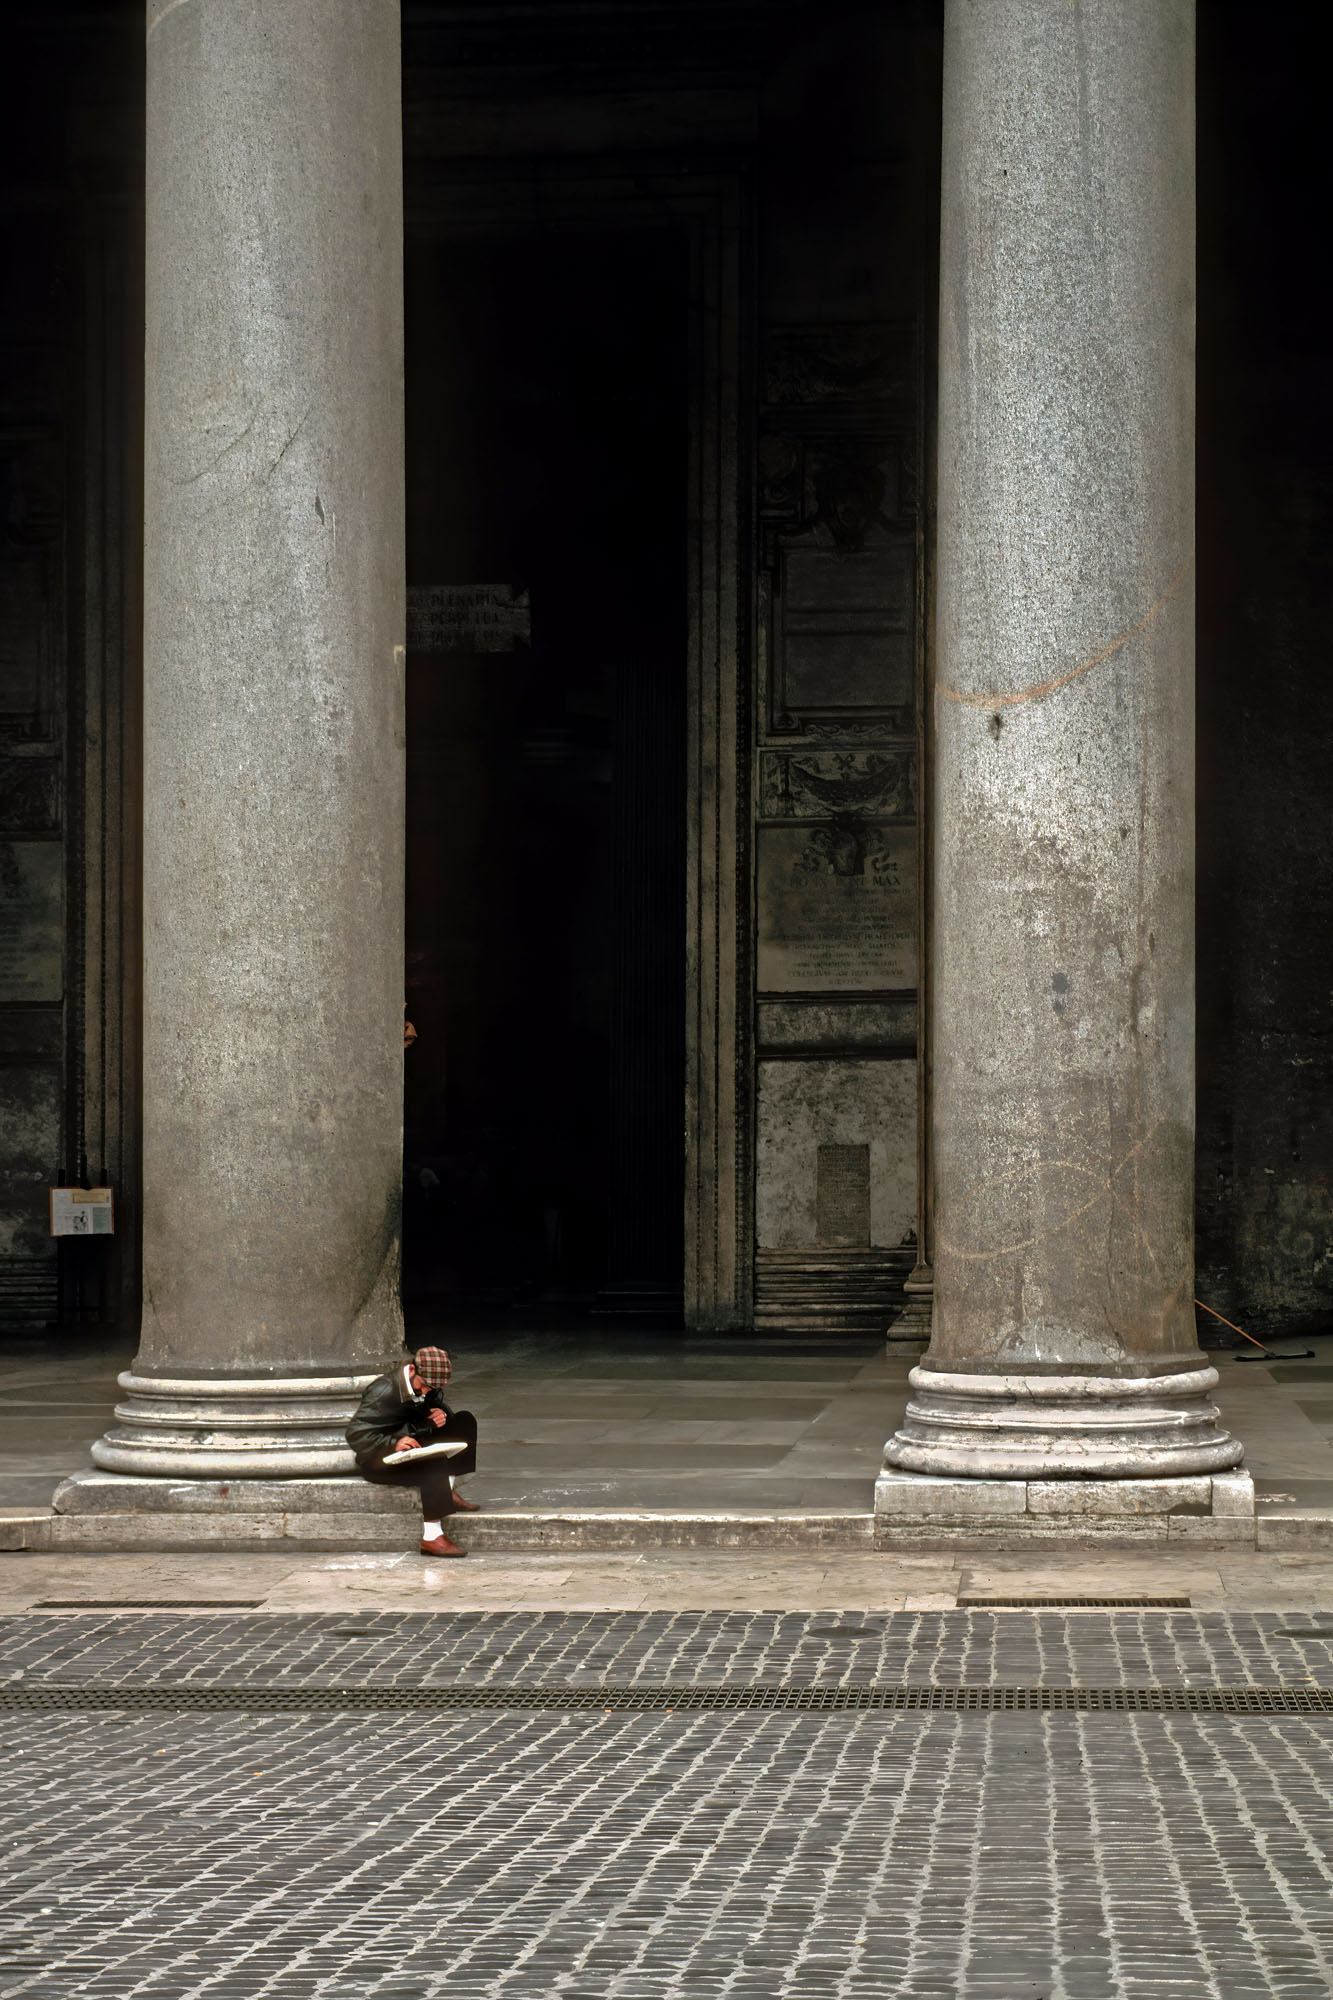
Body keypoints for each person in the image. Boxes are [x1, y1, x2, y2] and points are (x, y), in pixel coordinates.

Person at [346, 1345, 479, 1558]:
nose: (426, 1391)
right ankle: (432, 1536)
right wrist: (393, 1443)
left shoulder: (425, 1387)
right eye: (424, 1386)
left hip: (412, 1441)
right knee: (433, 1461)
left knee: (463, 1422)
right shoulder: (383, 1391)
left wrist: (437, 1412)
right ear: (412, 1371)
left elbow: (424, 1410)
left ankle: (448, 1490)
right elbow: (356, 1435)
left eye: (432, 1389)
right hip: (379, 1460)